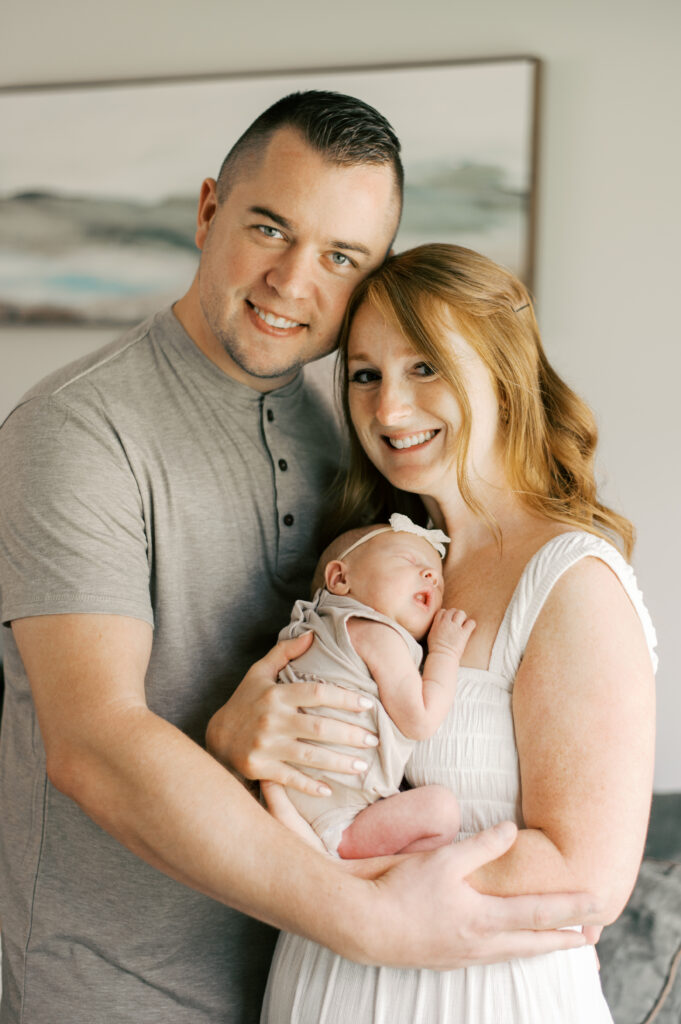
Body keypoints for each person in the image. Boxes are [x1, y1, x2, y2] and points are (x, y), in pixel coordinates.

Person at [0, 93, 599, 1024]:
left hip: (310, 985)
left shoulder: (357, 439)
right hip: (121, 987)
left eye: (339, 257)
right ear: (207, 212)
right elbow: (96, 747)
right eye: (268, 228)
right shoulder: (77, 432)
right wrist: (371, 922)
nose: (290, 281)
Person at [257, 243, 658, 1023]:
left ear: (504, 375)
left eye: (425, 367)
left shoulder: (571, 578)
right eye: (365, 375)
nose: (387, 411)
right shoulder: (371, 561)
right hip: (321, 979)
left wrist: (339, 885)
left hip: (484, 998)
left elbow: (587, 873)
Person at [268, 513, 475, 858]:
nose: (431, 577)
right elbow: (420, 720)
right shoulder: (374, 630)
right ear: (340, 578)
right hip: (337, 820)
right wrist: (445, 651)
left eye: (438, 580)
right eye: (410, 561)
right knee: (442, 811)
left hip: (286, 794)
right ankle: (348, 861)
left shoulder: (314, 627)